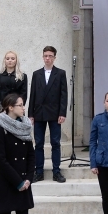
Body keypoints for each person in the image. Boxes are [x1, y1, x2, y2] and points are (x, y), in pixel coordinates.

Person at [27, 46, 68, 184]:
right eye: (45, 56)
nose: (48, 58)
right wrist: (31, 114)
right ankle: (39, 172)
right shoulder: (36, 74)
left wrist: (62, 113)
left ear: (54, 57)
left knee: (55, 143)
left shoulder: (60, 73)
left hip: (55, 113)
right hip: (39, 112)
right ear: (43, 57)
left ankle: (56, 171)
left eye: (50, 56)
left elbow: (64, 95)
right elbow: (32, 94)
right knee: (38, 143)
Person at [0, 51, 28, 129]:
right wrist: (1, 108)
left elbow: (23, 95)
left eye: (12, 58)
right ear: (5, 60)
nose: (10, 60)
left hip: (15, 112)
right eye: (7, 58)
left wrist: (14, 108)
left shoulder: (23, 76)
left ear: (16, 60)